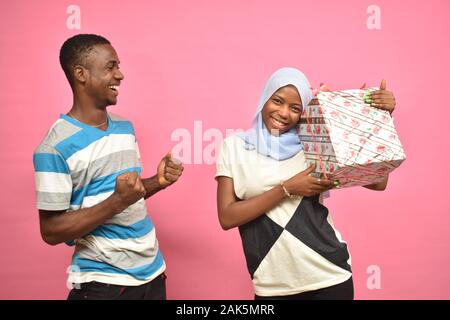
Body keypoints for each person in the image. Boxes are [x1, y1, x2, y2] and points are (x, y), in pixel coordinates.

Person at [215, 67, 396, 300]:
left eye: (295, 108)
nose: (283, 113)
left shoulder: (314, 144)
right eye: (277, 101)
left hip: (328, 276)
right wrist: (287, 188)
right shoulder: (234, 147)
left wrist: (379, 118)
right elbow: (227, 217)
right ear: (264, 98)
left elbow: (378, 181)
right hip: (272, 286)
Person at [33, 34, 184, 300]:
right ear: (81, 74)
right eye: (110, 67)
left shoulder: (125, 128)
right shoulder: (54, 147)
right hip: (103, 284)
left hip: (153, 274)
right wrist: (116, 202)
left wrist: (156, 181)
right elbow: (51, 231)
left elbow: (128, 196)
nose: (120, 75)